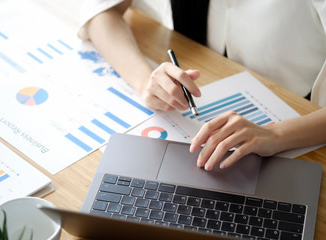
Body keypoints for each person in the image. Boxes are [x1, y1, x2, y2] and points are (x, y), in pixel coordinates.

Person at [79, 0, 326, 170]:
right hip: (208, 77)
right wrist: (144, 81)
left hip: (299, 117)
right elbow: (99, 11)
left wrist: (276, 134)